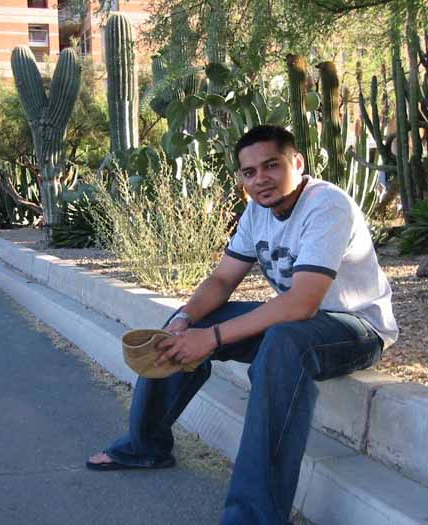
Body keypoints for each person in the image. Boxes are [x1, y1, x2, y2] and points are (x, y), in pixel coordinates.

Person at [86, 125, 399, 524]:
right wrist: (185, 319)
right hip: (298, 323)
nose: (260, 179)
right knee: (190, 322)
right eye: (249, 172)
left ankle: (254, 516)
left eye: (271, 165)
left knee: (282, 344)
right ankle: (145, 445)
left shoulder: (327, 206)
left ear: (297, 162)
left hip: (356, 327)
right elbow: (222, 280)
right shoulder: (258, 211)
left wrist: (212, 339)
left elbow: (302, 303)